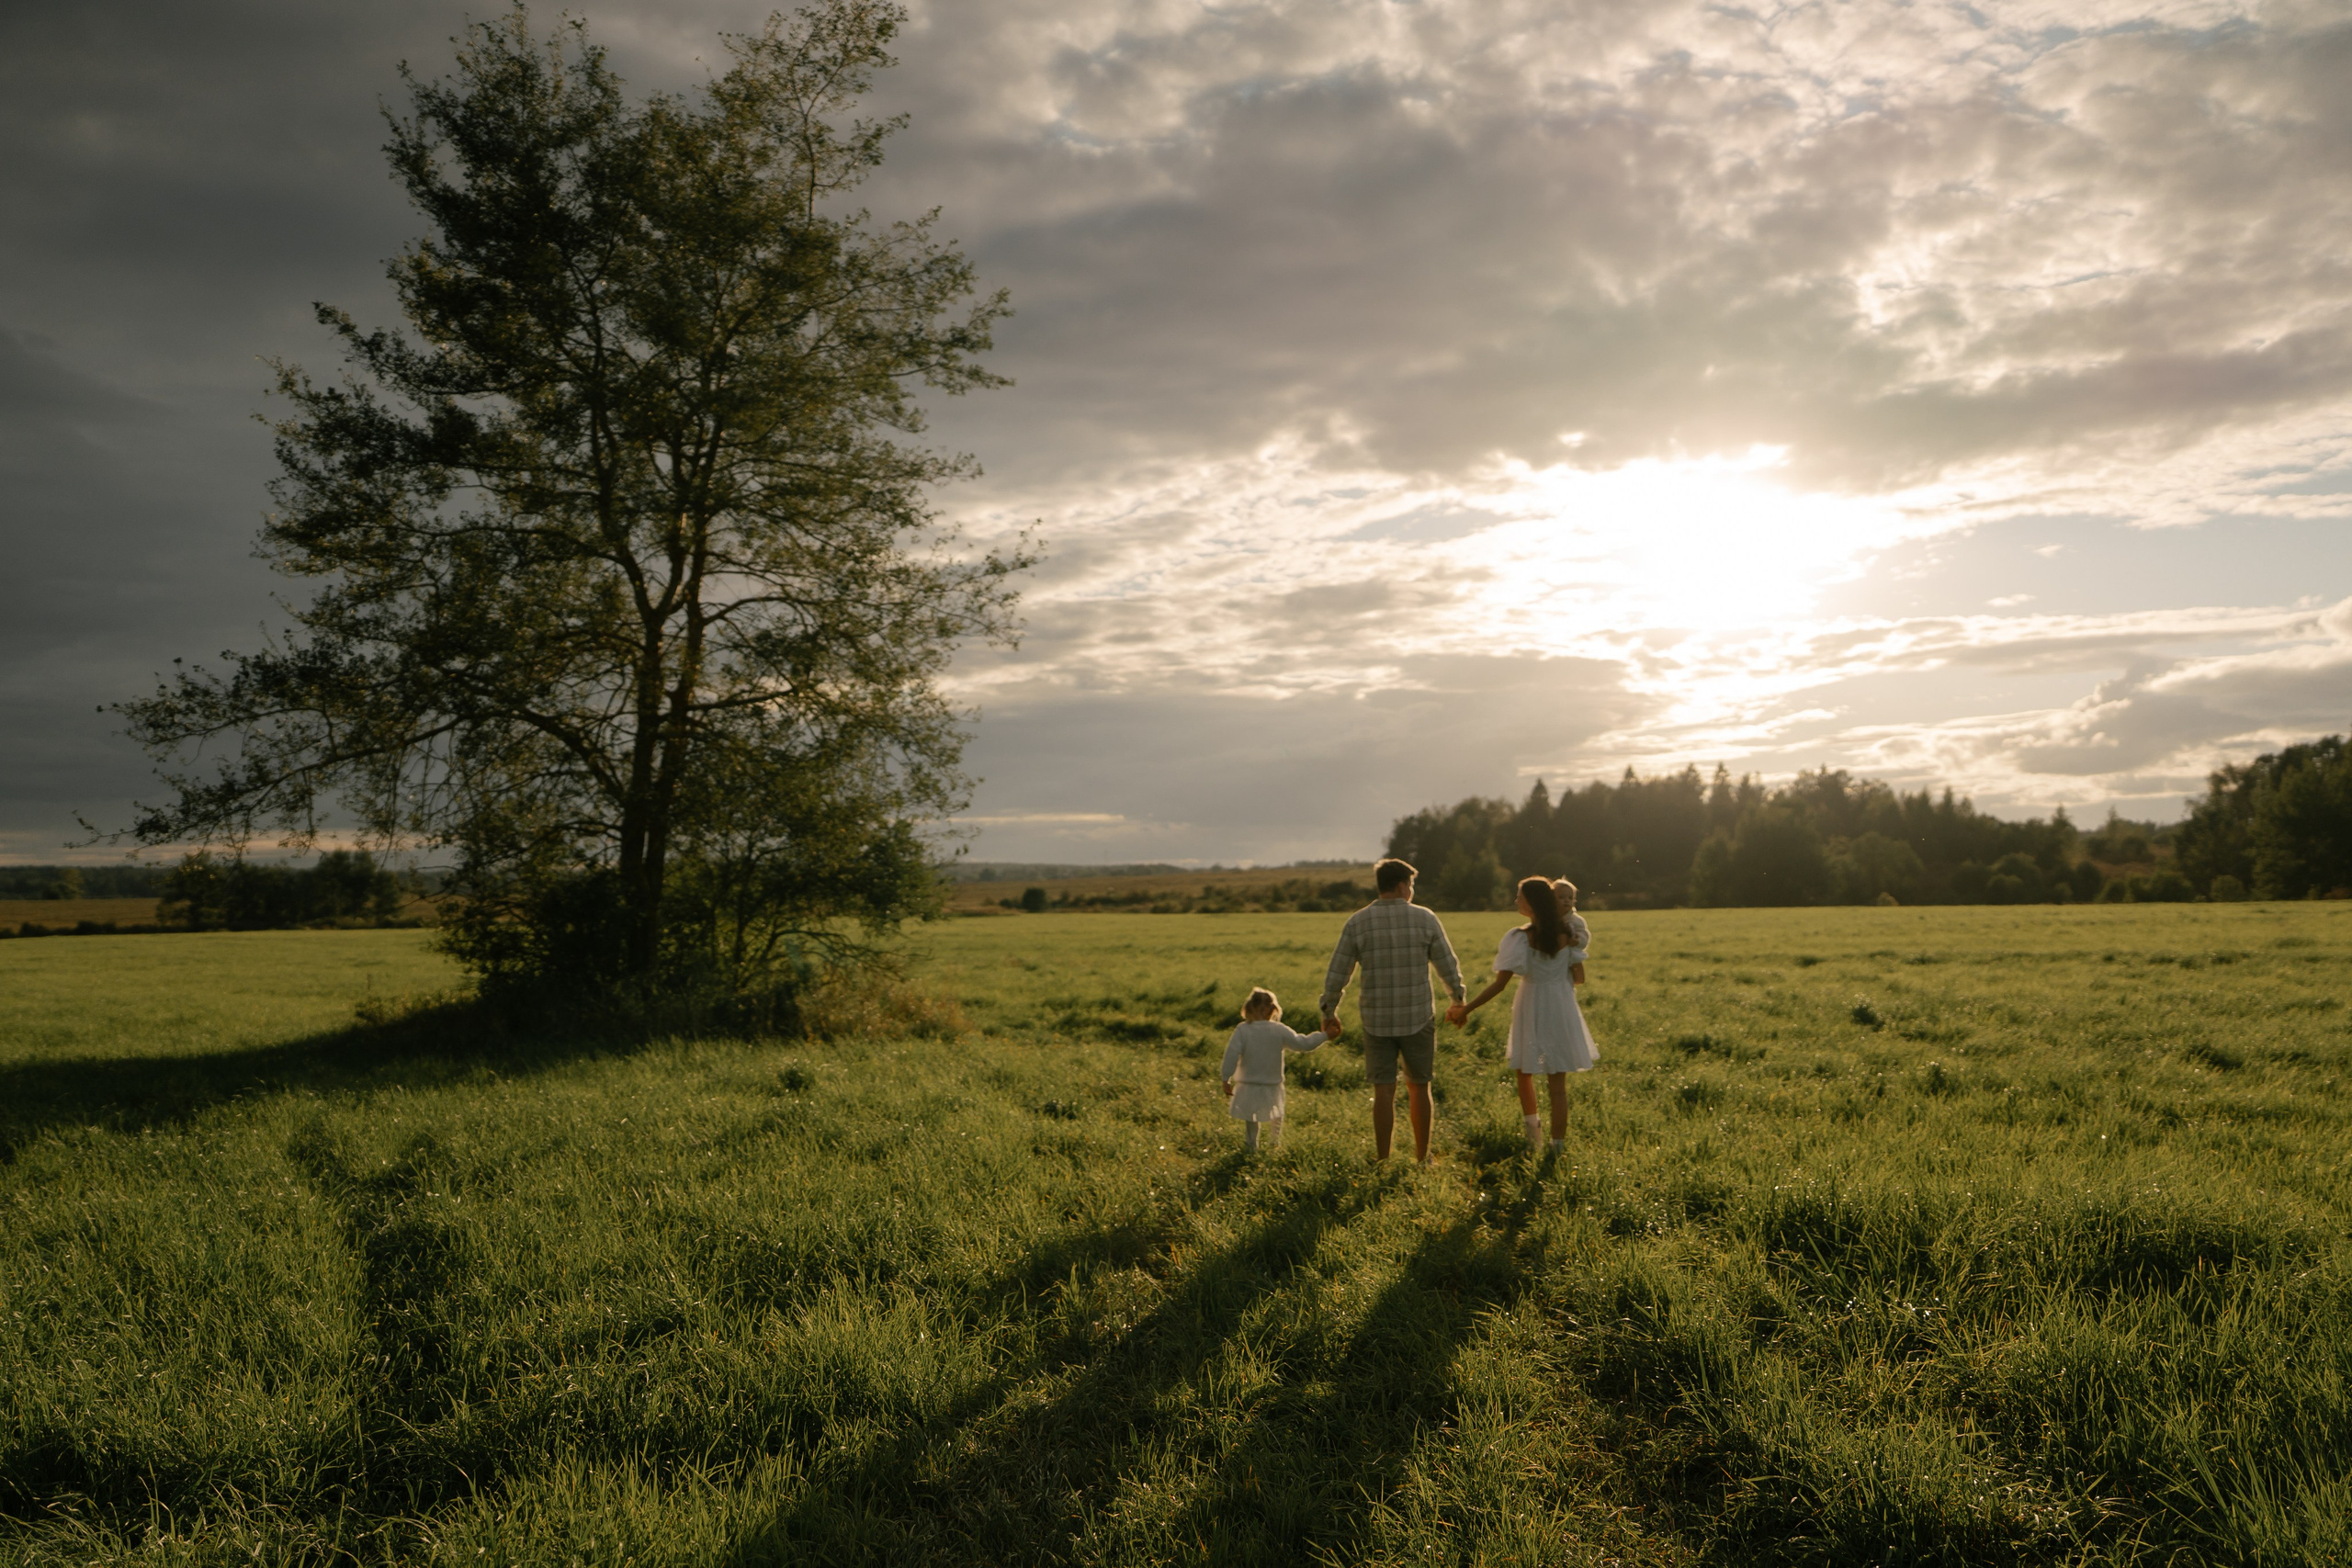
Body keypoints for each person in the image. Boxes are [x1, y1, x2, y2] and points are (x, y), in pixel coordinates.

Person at [1318, 857, 1466, 1164]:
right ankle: (1422, 1157)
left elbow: (1338, 972)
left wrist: (1329, 1010)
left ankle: (1383, 1159)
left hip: (1376, 1021)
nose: (1411, 890)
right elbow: (1447, 965)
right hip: (1418, 1018)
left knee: (1383, 1091)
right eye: (1410, 884)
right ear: (1401, 886)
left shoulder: (1358, 922)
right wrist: (1458, 999)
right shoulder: (1425, 918)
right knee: (1420, 1086)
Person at [1450, 876, 1597, 1156]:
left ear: (1531, 902)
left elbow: (1500, 985)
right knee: (1558, 1085)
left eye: (1520, 896)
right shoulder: (1568, 934)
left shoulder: (1519, 937)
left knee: (1524, 1072)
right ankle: (1557, 1147)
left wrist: (1466, 1009)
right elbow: (1579, 978)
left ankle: (1533, 1138)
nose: (1516, 900)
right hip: (1561, 1005)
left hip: (1531, 1003)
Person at [1219, 987, 1325, 1154]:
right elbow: (1302, 1043)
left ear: (1249, 1008)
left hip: (1249, 1084)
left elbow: (1231, 1054)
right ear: (1273, 1010)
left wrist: (1226, 1077)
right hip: (1272, 1083)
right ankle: (1274, 1144)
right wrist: (1324, 1035)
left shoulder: (1243, 1029)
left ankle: (1251, 1147)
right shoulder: (1279, 1029)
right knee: (1276, 1112)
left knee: (1251, 1117)